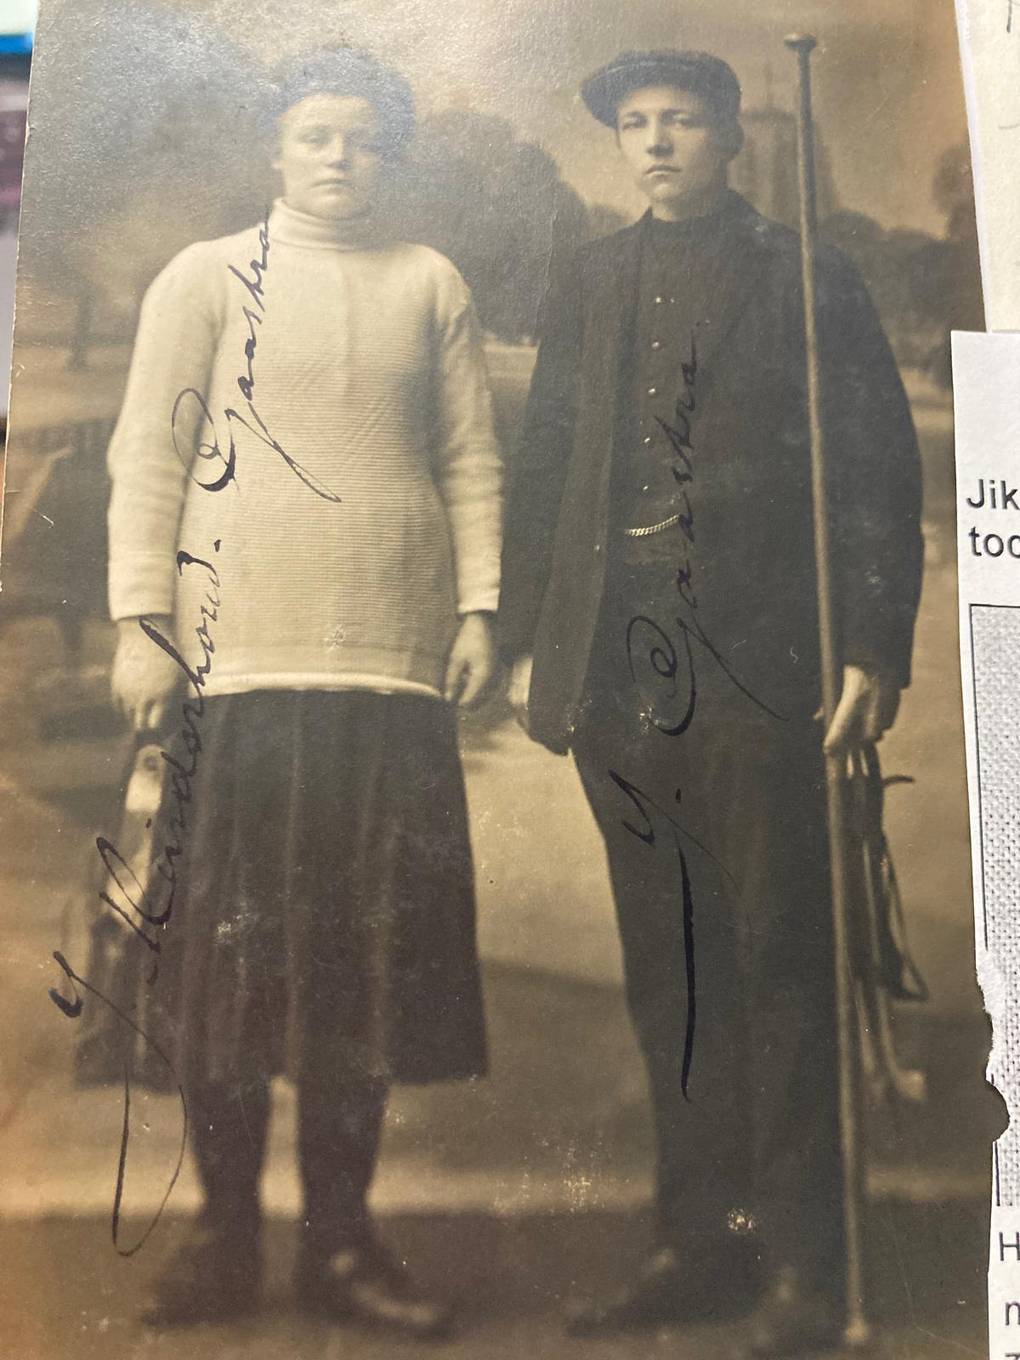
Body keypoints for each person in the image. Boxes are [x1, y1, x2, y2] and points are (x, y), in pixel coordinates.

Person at [500, 49, 922, 1357]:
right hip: (623, 681)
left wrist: (870, 643)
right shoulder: (592, 278)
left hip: (762, 673)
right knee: (669, 977)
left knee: (781, 963)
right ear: (618, 146)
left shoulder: (804, 277)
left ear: (734, 137)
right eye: (637, 124)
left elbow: (872, 463)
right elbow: (548, 460)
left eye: (684, 121)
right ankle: (701, 1246)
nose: (659, 142)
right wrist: (528, 638)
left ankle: (803, 1267)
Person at [105, 47, 502, 1338]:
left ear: (393, 156)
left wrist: (480, 611)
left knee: (358, 973)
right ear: (277, 151)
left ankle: (340, 1243)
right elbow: (146, 460)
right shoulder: (204, 278)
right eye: (316, 137)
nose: (340, 160)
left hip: (385, 671)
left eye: (365, 141)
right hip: (234, 674)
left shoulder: (429, 281)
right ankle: (226, 1244)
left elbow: (468, 459)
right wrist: (138, 627)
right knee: (233, 974)